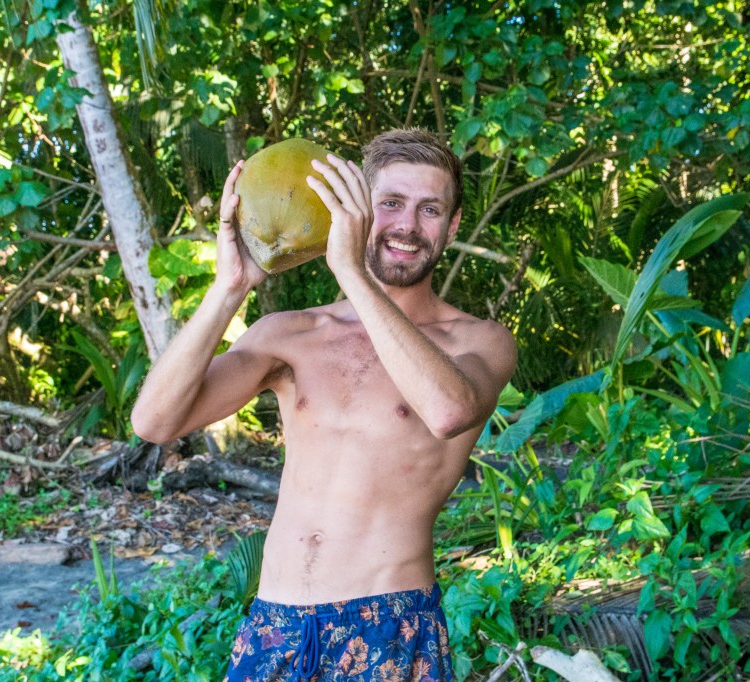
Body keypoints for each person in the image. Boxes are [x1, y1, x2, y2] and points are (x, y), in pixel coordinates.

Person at [130, 128, 517, 681]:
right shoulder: (291, 334)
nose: (407, 225)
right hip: (274, 625)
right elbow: (154, 421)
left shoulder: (477, 342)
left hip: (389, 624)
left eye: (430, 209)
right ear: (354, 205)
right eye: (390, 203)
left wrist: (353, 274)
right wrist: (228, 288)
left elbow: (448, 411)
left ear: (451, 227)